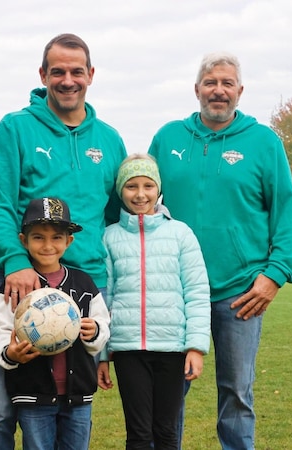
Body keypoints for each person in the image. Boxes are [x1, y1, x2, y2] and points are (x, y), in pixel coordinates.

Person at [0, 33, 127, 449]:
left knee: (72, 405)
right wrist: (9, 261)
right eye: (57, 71)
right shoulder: (15, 129)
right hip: (22, 281)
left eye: (77, 71)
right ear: (42, 75)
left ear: (91, 75)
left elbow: (115, 217)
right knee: (0, 410)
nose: (67, 79)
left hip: (85, 287)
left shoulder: (110, 140)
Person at [148, 52, 292, 450]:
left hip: (240, 292)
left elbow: (285, 212)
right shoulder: (168, 139)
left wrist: (275, 274)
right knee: (169, 393)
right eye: (211, 82)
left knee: (236, 392)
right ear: (197, 89)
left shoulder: (264, 142)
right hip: (177, 292)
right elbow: (140, 199)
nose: (219, 90)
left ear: (240, 91)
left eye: (227, 83)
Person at [96, 154, 211, 449]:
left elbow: (197, 292)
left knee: (166, 431)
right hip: (128, 349)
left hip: (172, 348)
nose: (140, 194)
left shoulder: (181, 234)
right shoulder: (109, 237)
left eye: (148, 185)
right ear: (121, 190)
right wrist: (103, 354)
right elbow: (103, 300)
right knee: (138, 434)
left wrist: (195, 347)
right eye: (131, 186)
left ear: (157, 189)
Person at [0, 197, 110, 450]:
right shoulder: (15, 285)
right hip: (34, 394)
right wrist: (11, 353)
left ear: (69, 240)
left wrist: (94, 332)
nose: (47, 245)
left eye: (56, 237)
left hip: (78, 396)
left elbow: (103, 323)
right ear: (24, 240)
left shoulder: (84, 284)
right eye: (38, 237)